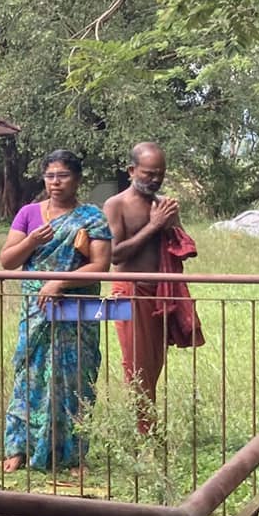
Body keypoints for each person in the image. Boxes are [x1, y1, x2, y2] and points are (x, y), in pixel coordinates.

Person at [0, 150, 113, 475]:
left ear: (77, 179)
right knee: (29, 377)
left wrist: (59, 283)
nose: (56, 182)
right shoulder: (29, 214)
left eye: (63, 175)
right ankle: (19, 447)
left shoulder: (93, 217)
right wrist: (32, 241)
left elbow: (101, 265)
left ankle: (73, 455)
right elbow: (7, 260)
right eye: (50, 176)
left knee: (75, 378)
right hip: (36, 309)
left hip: (76, 310)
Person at [102, 143, 203, 431]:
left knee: (154, 363)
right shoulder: (116, 204)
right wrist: (153, 227)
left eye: (160, 174)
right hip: (129, 292)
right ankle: (146, 431)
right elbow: (115, 254)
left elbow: (182, 247)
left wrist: (170, 225)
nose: (155, 180)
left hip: (161, 292)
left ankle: (146, 425)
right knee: (136, 364)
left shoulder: (164, 204)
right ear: (132, 170)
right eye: (148, 174)